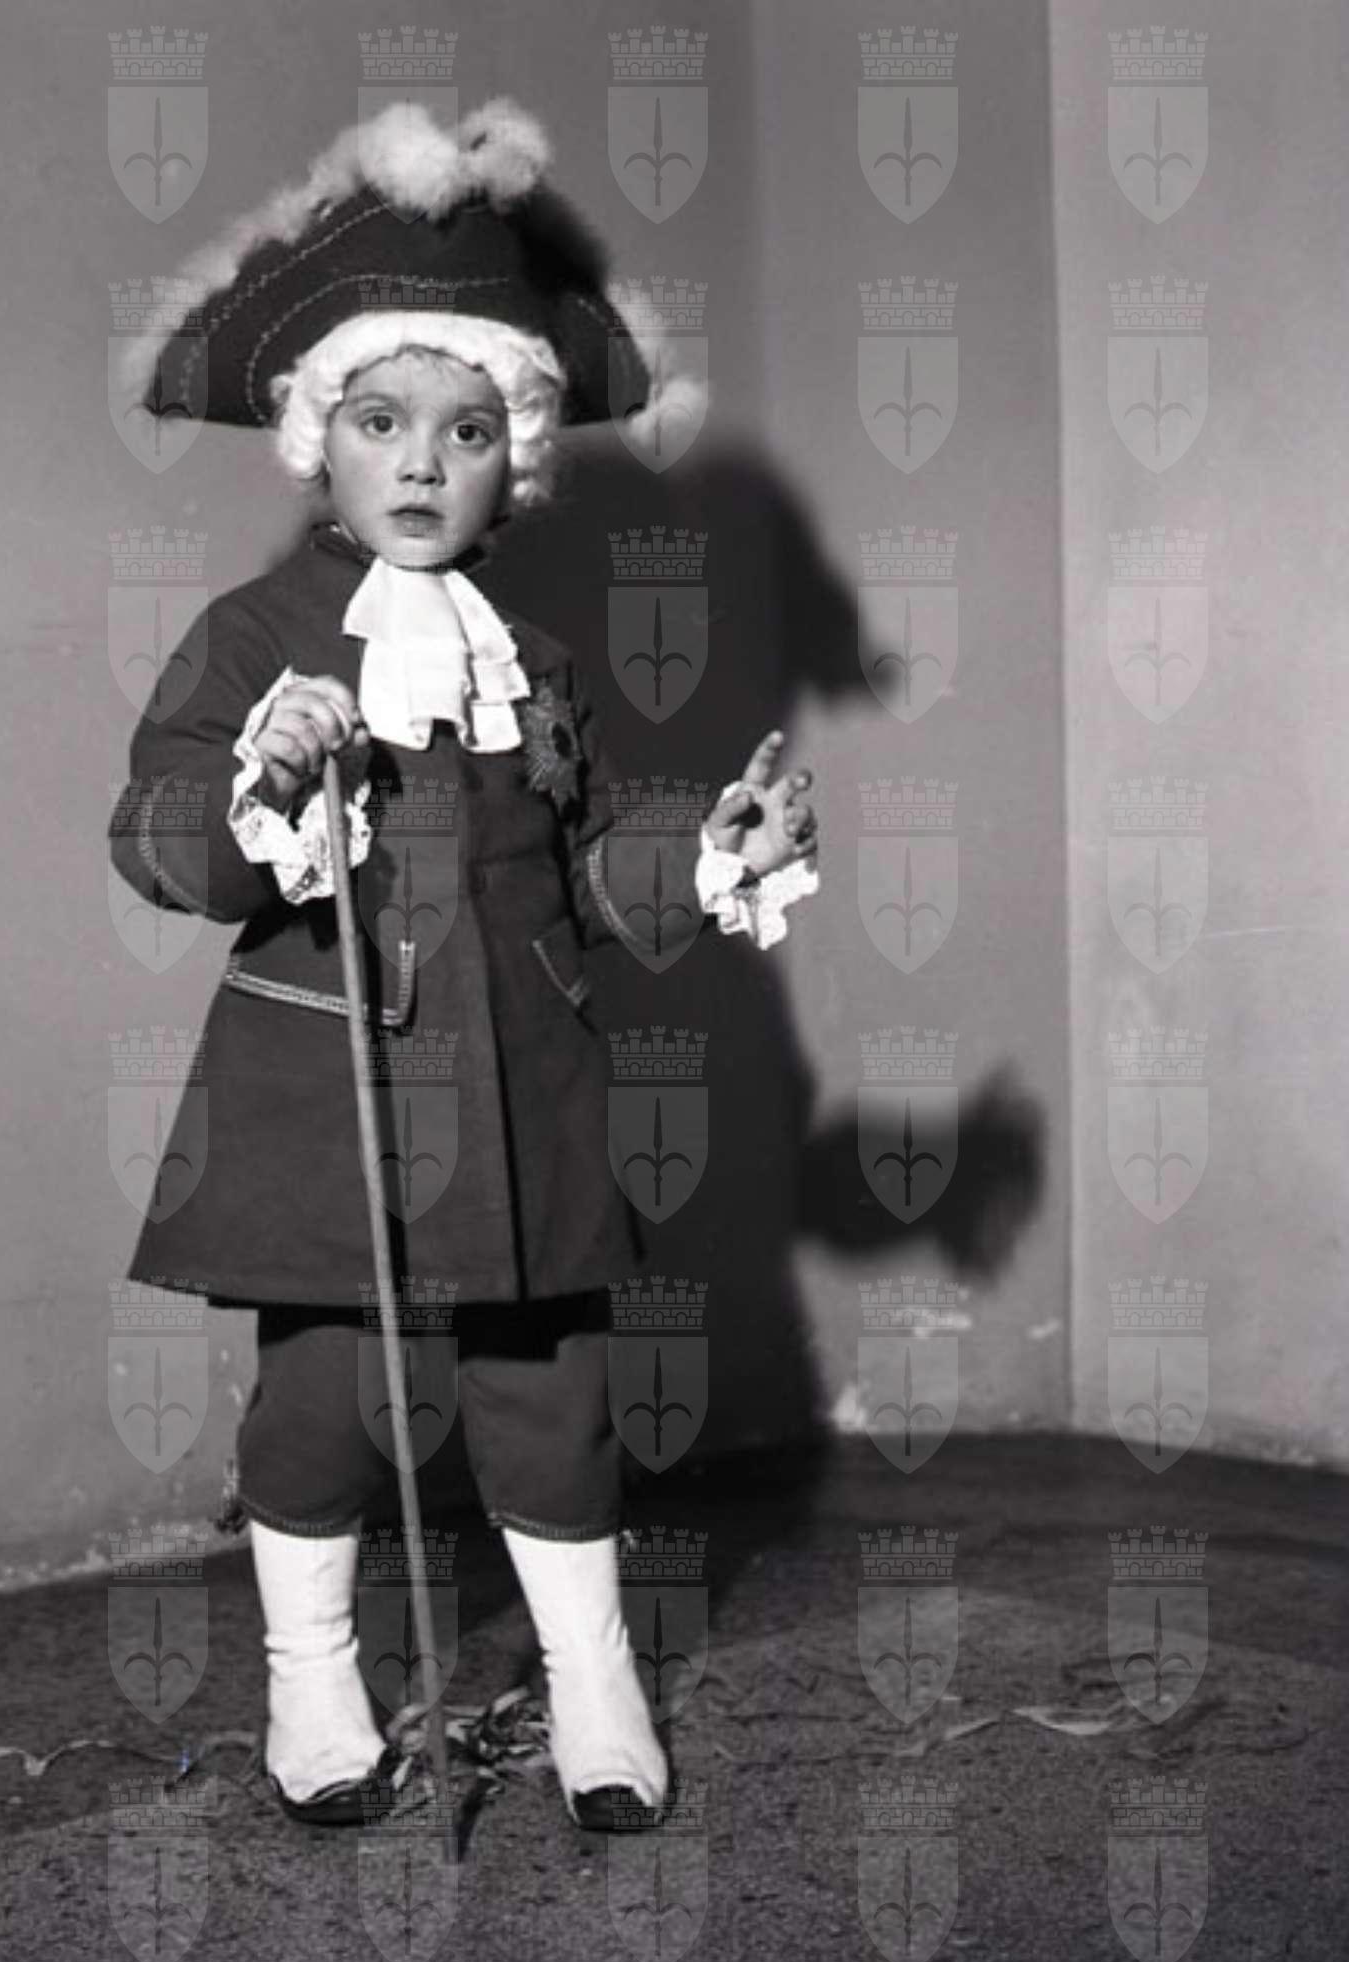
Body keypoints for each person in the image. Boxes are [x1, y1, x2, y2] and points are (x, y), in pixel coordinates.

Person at [107, 98, 821, 1831]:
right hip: (326, 1087)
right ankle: (311, 1687)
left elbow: (591, 862)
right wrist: (260, 780)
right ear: (317, 443)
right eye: (380, 422)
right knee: (321, 1405)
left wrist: (712, 854)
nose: (422, 463)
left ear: (519, 459)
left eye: (468, 427)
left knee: (551, 1397)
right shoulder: (253, 639)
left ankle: (595, 1689)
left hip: (523, 1086)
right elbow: (154, 838)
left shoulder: (541, 659)